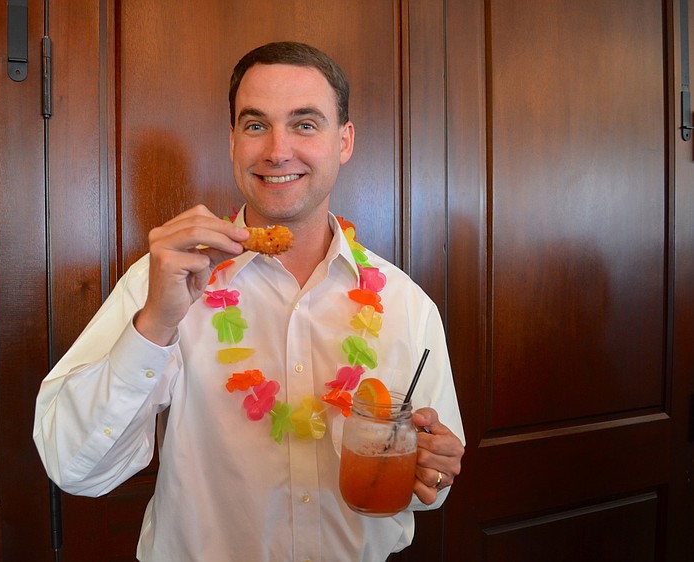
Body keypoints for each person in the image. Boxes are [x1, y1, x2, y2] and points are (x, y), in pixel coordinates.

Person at [33, 41, 465, 562]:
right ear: (233, 141)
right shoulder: (161, 282)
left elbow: (429, 489)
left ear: (344, 141)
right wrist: (155, 325)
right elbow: (73, 468)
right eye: (256, 124)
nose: (278, 151)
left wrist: (432, 470)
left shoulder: (407, 305)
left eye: (305, 124)